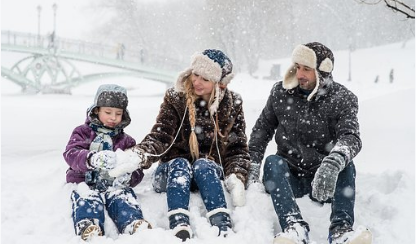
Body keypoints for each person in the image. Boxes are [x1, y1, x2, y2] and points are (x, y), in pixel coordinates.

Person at [247, 42, 372, 244]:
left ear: (322, 72)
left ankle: (341, 231)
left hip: (325, 181)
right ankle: (294, 227)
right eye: (297, 67)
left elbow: (351, 137)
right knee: (272, 161)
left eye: (306, 69)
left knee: (346, 165)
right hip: (289, 178)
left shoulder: (342, 98)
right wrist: (252, 164)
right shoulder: (280, 93)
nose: (299, 74)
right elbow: (262, 129)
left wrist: (333, 163)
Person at [125, 49, 250, 241]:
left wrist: (237, 175)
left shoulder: (233, 104)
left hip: (206, 175)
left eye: (205, 79)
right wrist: (139, 155)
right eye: (196, 74)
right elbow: (161, 136)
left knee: (204, 164)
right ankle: (179, 222)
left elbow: (237, 148)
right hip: (172, 173)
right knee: (180, 164)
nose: (196, 82)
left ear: (220, 85)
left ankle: (221, 223)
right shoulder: (176, 98)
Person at [63, 84, 152, 241]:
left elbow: (136, 169)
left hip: (113, 185)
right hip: (84, 181)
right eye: (108, 112)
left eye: (118, 114)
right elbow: (71, 154)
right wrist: (91, 159)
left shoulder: (127, 141)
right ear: (97, 110)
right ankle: (89, 224)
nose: (113, 118)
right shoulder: (82, 132)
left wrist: (129, 177)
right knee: (87, 197)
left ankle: (132, 222)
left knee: (122, 197)